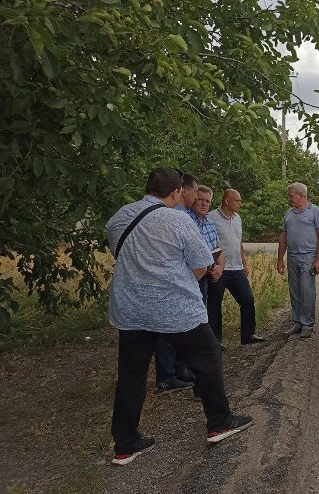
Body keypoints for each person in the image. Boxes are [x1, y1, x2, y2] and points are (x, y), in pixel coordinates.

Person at [106, 168, 252, 465]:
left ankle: (125, 444)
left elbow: (118, 253)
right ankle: (219, 423)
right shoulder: (178, 219)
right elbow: (202, 264)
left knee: (131, 374)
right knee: (208, 355)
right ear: (175, 193)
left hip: (130, 309)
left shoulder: (120, 216)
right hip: (175, 308)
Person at [153, 172, 201, 393]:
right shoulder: (179, 217)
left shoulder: (131, 214)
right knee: (172, 333)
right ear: (180, 191)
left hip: (151, 290)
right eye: (195, 192)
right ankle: (168, 377)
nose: (197, 197)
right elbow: (200, 262)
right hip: (176, 287)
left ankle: (176, 372)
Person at [207, 189, 264, 345]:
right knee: (214, 305)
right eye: (237, 200)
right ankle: (215, 341)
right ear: (227, 201)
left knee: (247, 300)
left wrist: (244, 263)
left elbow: (238, 242)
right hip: (219, 269)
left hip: (236, 269)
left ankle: (248, 335)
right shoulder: (211, 217)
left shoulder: (237, 218)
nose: (240, 203)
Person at [276, 182, 319, 339]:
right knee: (295, 291)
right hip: (292, 257)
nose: (289, 199)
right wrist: (280, 259)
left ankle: (307, 324)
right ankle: (297, 322)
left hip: (308, 258)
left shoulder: (316, 213)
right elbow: (283, 237)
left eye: (291, 196)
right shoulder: (289, 214)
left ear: (301, 195)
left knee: (306, 291)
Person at [189, 185, 224, 304]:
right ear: (194, 200)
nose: (204, 204)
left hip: (210, 275)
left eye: (207, 201)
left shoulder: (210, 223)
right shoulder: (186, 220)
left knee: (209, 310)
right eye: (201, 200)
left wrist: (220, 267)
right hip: (193, 278)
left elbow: (219, 248)